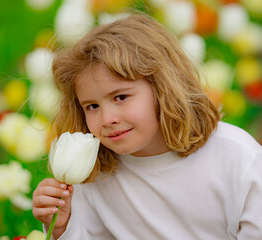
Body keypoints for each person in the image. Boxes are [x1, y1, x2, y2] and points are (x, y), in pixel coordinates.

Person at [32, 12, 262, 240]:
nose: (106, 119)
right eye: (92, 106)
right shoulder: (95, 172)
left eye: (120, 97)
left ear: (163, 89)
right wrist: (63, 227)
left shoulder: (236, 158)